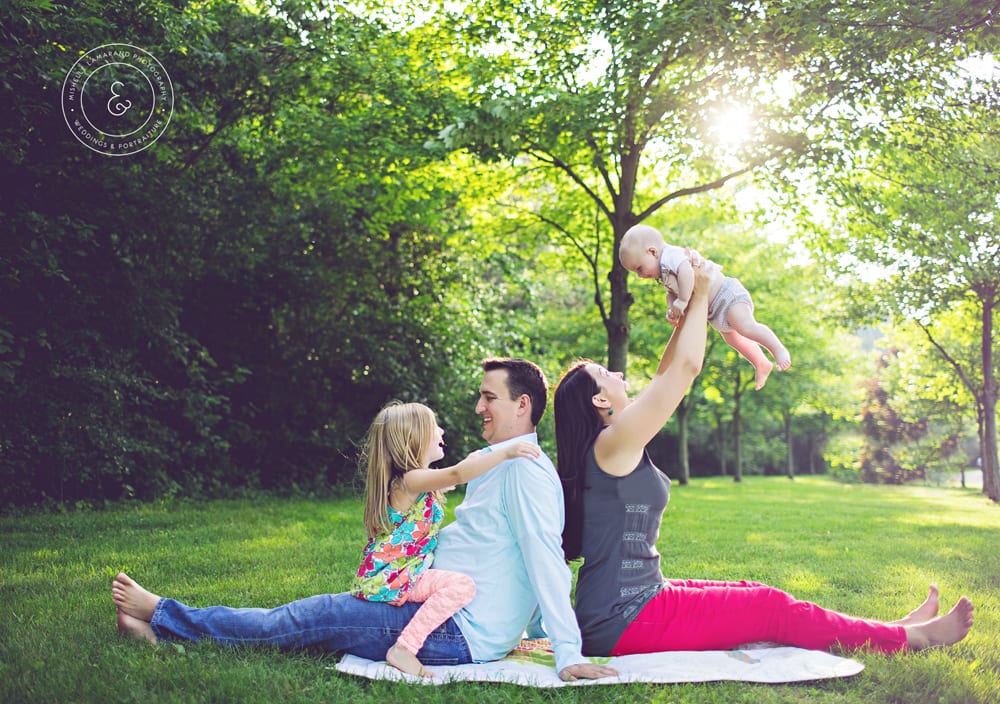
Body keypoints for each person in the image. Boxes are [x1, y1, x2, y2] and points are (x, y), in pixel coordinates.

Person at [552, 253, 975, 658]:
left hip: (628, 604)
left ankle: (896, 629)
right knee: (769, 606)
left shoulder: (614, 440)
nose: (621, 374)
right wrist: (699, 294)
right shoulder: (613, 442)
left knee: (750, 589)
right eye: (608, 375)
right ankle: (909, 639)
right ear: (598, 400)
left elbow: (666, 371)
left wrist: (686, 315)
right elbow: (684, 371)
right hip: (623, 617)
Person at [112, 358, 618, 683]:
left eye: (489, 396)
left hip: (449, 628)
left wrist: (566, 648)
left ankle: (162, 613)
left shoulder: (522, 469)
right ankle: (164, 633)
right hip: (435, 608)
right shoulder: (502, 462)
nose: (478, 406)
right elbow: (508, 556)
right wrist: (530, 628)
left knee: (301, 619)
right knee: (308, 621)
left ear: (522, 403)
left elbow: (542, 557)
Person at [351, 400, 540, 677]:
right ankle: (404, 648)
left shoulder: (416, 482)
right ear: (414, 438)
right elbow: (457, 474)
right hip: (398, 576)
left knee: (456, 584)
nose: (441, 431)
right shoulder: (410, 481)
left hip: (401, 572)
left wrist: (480, 458)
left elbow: (453, 476)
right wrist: (506, 452)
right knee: (461, 587)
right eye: (434, 427)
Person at [619, 223, 791, 389]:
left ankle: (778, 349)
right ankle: (760, 362)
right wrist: (672, 308)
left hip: (726, 295)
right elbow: (670, 292)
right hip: (714, 311)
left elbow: (687, 273)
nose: (640, 275)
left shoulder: (670, 256)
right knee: (732, 338)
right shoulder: (663, 272)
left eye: (639, 268)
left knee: (746, 327)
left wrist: (683, 301)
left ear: (652, 251)